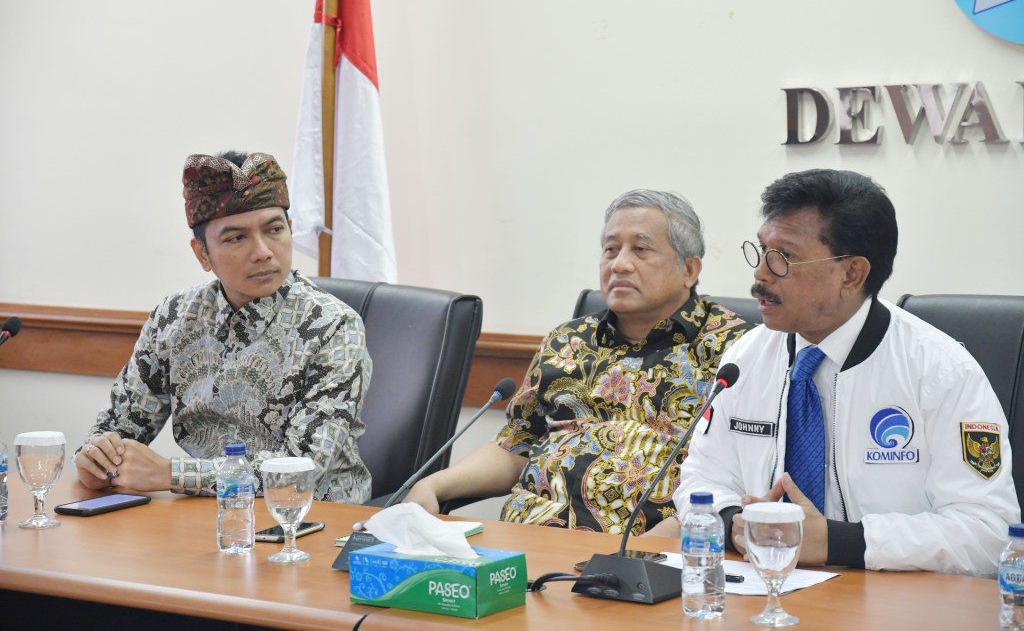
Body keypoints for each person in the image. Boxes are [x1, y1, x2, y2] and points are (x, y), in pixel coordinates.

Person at [674, 168, 1019, 576]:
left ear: (852, 274)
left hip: (888, 597)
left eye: (784, 258)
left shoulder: (941, 372)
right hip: (764, 586)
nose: (761, 273)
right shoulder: (744, 359)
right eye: (762, 250)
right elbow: (700, 479)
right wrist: (735, 522)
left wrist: (839, 542)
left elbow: (988, 534)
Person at [404, 190, 750, 534]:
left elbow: (736, 477)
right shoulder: (567, 340)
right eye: (611, 249)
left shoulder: (733, 349)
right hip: (526, 537)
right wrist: (433, 485)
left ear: (689, 269)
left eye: (640, 249)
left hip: (643, 550)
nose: (620, 264)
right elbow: (515, 447)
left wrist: (664, 541)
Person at [75, 151, 372, 503]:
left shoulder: (333, 327)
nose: (262, 252)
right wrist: (98, 460)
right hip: (205, 516)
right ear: (203, 254)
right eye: (236, 238)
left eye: (274, 230)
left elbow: (301, 469)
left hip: (311, 518)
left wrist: (170, 474)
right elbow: (118, 427)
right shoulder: (173, 317)